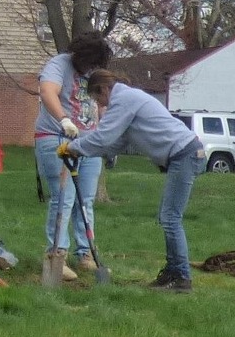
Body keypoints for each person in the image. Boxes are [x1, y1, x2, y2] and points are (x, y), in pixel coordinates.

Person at [60, 69, 204, 292]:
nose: (101, 104)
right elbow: (114, 144)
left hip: (185, 154)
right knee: (168, 217)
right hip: (182, 155)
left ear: (105, 89)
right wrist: (82, 152)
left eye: (99, 98)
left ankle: (182, 278)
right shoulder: (126, 101)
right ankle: (172, 273)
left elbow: (104, 136)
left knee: (170, 218)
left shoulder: (124, 99)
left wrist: (74, 147)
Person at [34, 31, 112, 277]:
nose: (90, 68)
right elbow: (47, 92)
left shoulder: (95, 69)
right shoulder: (59, 64)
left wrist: (103, 130)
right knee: (63, 198)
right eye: (88, 63)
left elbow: (102, 102)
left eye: (95, 65)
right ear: (78, 55)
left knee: (85, 200)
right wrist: (64, 119)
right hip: (56, 137)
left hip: (88, 142)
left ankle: (85, 253)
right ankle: (57, 254)